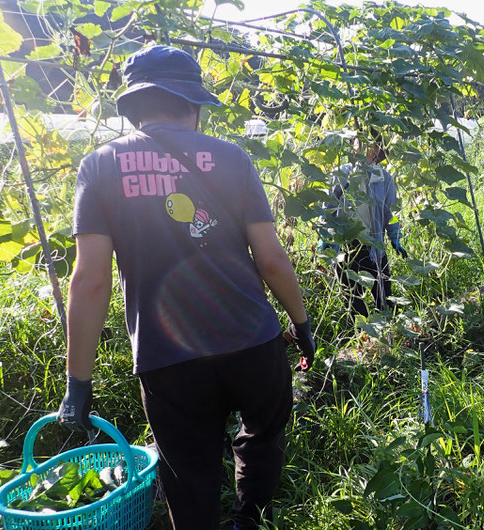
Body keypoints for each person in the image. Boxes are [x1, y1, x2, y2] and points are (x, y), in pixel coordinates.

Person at [56, 45, 316, 529]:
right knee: (262, 433)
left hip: (168, 357)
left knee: (188, 475)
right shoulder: (232, 158)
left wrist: (78, 383)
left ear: (132, 106)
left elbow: (90, 281)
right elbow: (272, 259)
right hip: (252, 340)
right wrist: (301, 324)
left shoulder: (100, 166)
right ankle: (248, 519)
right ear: (193, 104)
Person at [320, 129, 406, 318]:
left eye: (370, 144)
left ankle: (385, 335)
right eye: (358, 142)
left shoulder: (383, 178)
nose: (362, 147)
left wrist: (395, 237)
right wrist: (325, 236)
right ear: (353, 146)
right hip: (346, 247)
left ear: (377, 150)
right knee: (352, 298)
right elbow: (328, 207)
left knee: (383, 296)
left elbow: (390, 213)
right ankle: (363, 338)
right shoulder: (340, 175)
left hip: (373, 246)